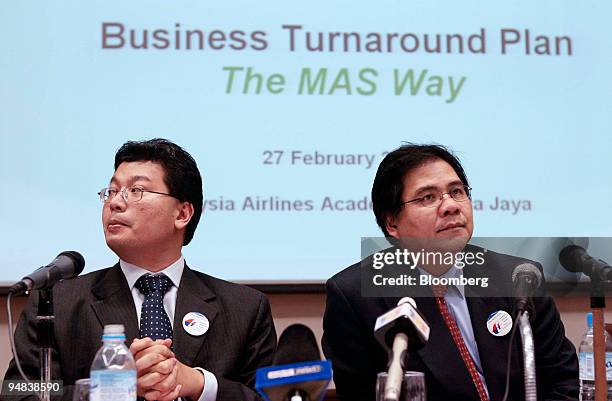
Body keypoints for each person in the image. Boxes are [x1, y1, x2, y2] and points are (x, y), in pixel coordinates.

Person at [4, 138, 276, 401]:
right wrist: (108, 390)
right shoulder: (57, 303)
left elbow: (270, 397)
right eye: (111, 191)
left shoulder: (244, 309)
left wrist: (198, 383)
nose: (115, 202)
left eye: (136, 191)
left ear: (182, 214)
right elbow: (16, 392)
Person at [322, 144, 578, 401]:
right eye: (428, 198)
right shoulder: (355, 297)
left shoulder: (520, 278)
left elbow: (562, 384)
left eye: (457, 192)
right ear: (392, 222)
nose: (451, 206)